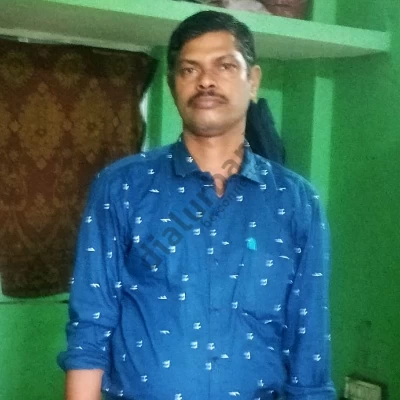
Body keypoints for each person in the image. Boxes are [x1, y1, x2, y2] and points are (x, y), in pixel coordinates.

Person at [58, 10, 336, 400]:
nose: (206, 80)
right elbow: (90, 326)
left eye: (225, 66)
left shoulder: (296, 202)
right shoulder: (122, 187)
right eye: (189, 69)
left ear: (253, 81)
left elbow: (309, 343)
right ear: (173, 85)